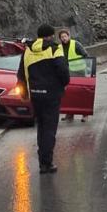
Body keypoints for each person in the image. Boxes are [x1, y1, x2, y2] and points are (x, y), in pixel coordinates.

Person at [21, 25, 70, 175]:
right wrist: (63, 84)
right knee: (49, 129)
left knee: (41, 127)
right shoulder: (55, 49)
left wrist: (26, 93)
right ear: (50, 36)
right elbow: (63, 71)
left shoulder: (27, 50)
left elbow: (21, 73)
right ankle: (46, 163)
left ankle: (42, 160)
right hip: (51, 96)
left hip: (35, 95)